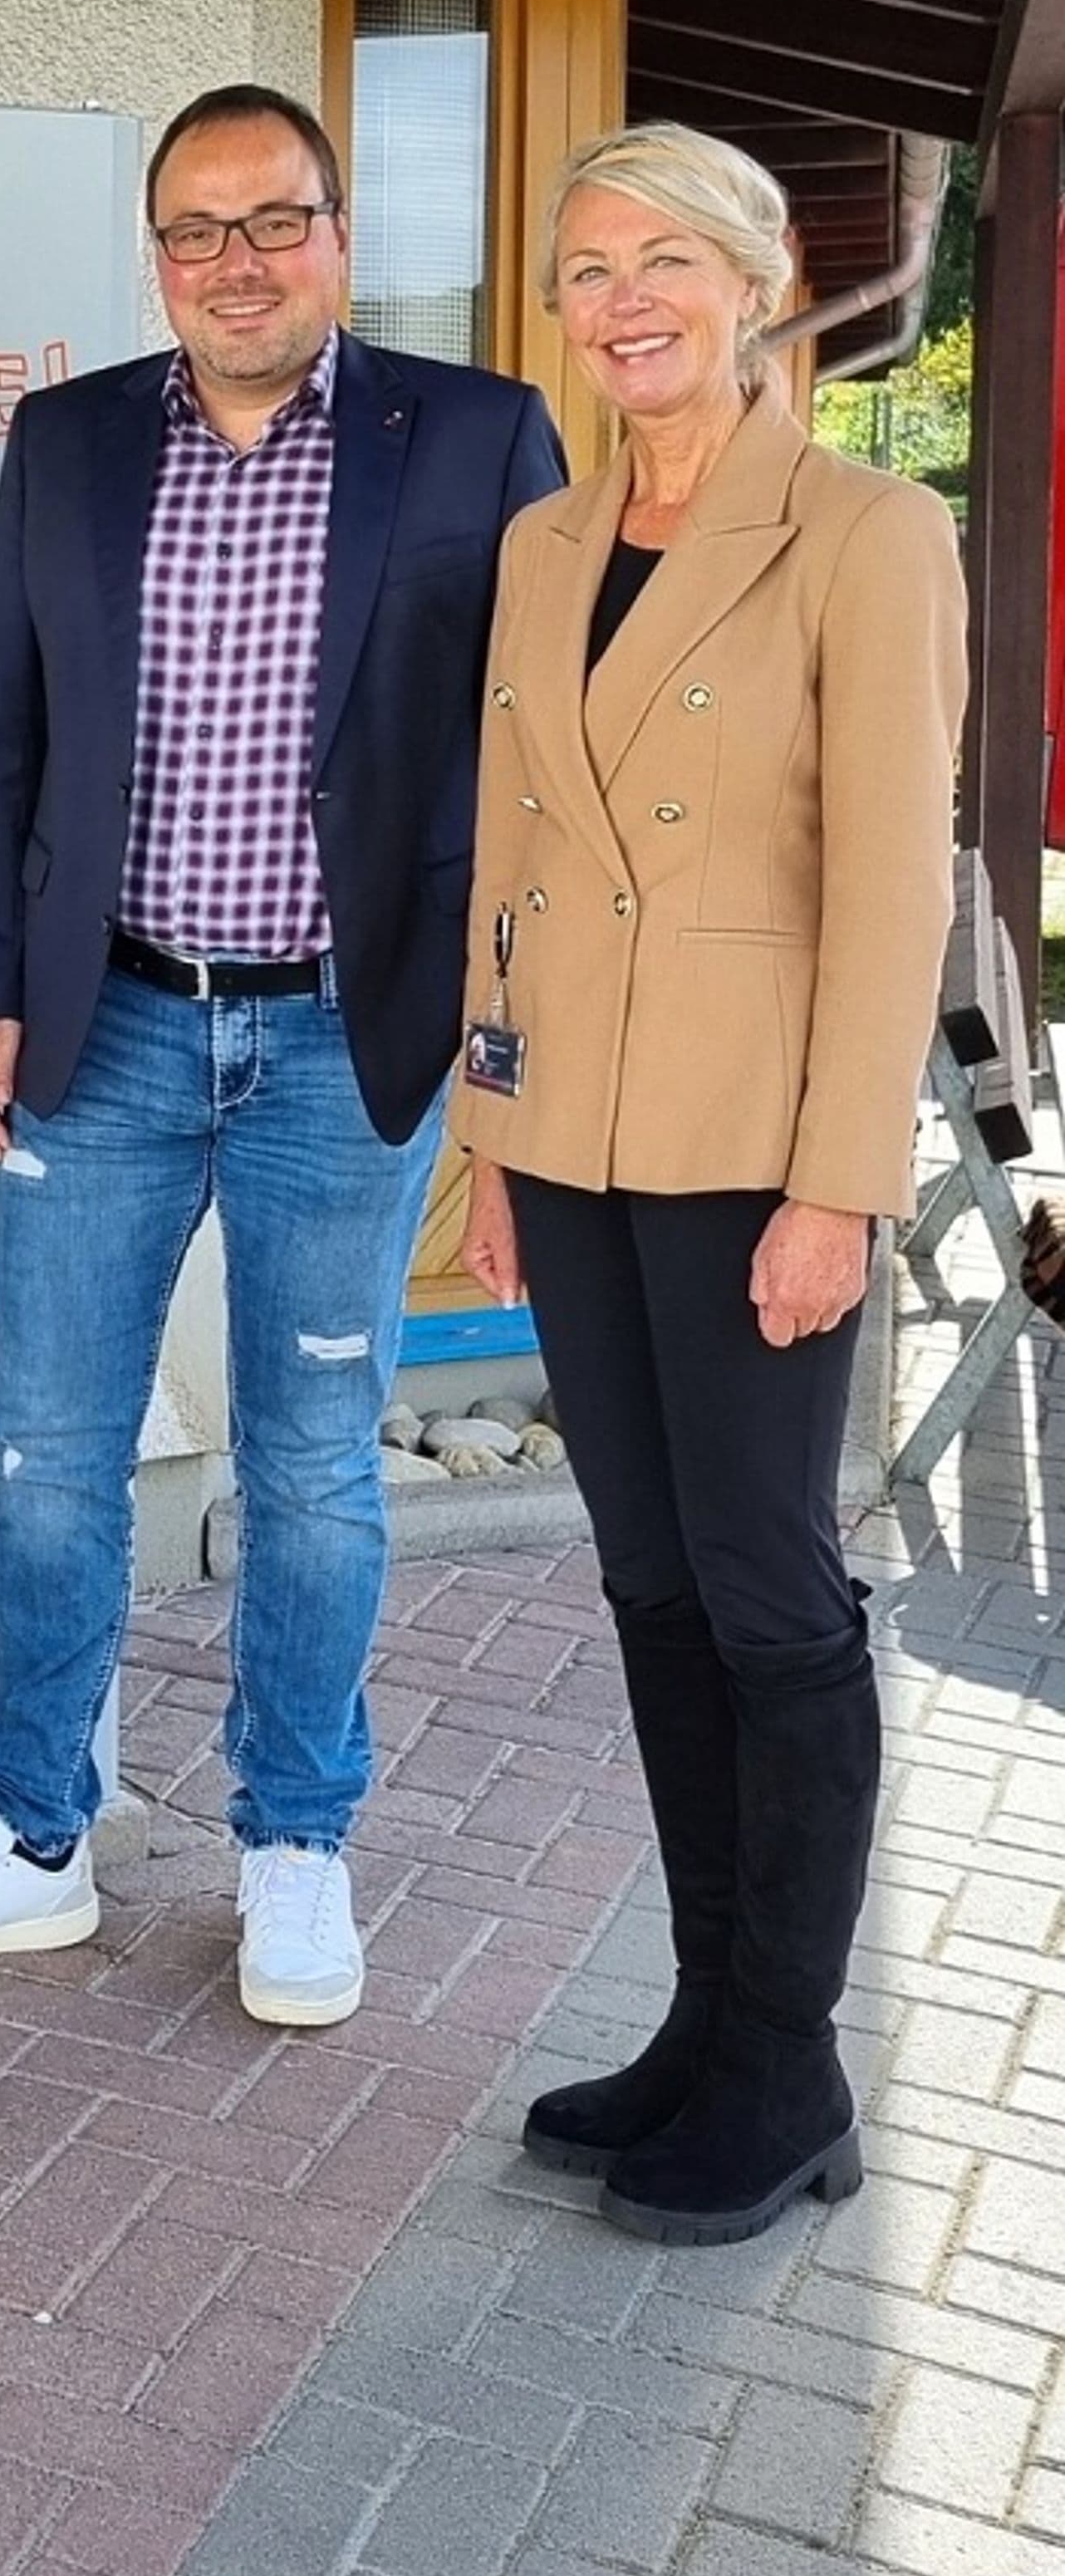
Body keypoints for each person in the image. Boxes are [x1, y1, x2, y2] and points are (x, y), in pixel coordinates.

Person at [0, 84, 564, 2023]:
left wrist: (513, 1050)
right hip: (110, 1021)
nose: (234, 262)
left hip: (346, 1029)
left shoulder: (476, 437)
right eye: (194, 229)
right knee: (50, 1451)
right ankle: (31, 1836)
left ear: (338, 236)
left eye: (273, 220)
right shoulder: (69, 441)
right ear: (155, 255)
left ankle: (294, 1841)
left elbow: (547, 764)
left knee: (313, 1462)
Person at [455, 121, 961, 2245]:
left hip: (755, 1152)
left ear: (755, 284)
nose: (622, 299)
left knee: (766, 1591)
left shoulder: (868, 534)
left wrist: (841, 1185)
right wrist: (488, 1137)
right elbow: (513, 860)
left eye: (664, 257)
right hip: (571, 1138)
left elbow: (892, 889)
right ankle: (704, 2018)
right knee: (649, 1582)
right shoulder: (544, 541)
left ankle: (788, 2059)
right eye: (586, 268)